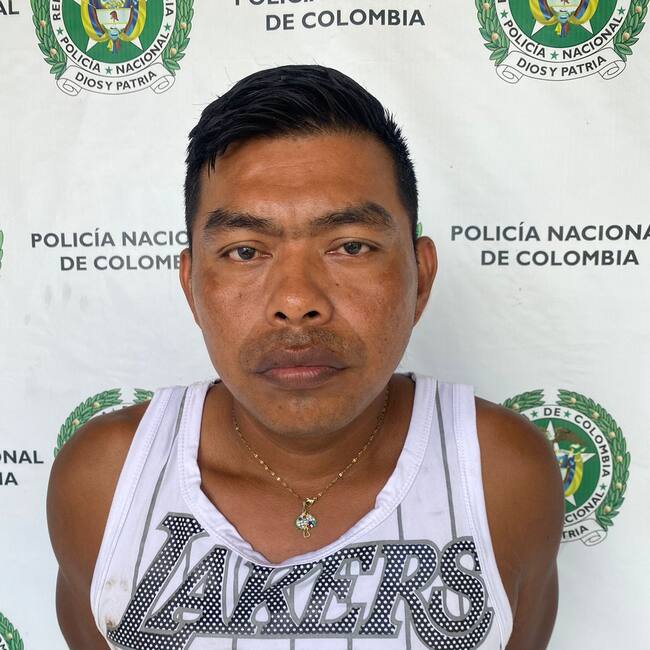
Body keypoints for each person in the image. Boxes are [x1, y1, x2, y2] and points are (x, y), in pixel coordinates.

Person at [47, 64, 564, 650]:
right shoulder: (106, 481)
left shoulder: (501, 475)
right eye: (245, 251)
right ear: (191, 286)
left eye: (350, 246)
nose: (296, 302)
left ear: (420, 277)